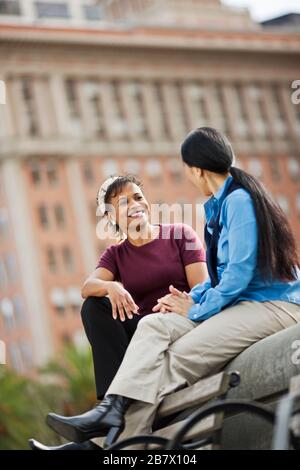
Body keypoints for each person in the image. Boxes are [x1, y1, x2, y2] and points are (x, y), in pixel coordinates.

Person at [45, 128, 300, 449]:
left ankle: (106, 445)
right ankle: (108, 414)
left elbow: (238, 274)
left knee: (170, 359)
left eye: (137, 197)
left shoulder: (237, 201)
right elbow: (219, 281)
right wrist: (191, 298)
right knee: (148, 326)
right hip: (233, 307)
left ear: (196, 169)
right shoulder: (218, 208)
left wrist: (195, 306)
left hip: (273, 305)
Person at [29, 174, 207, 450]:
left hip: (178, 324)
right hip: (142, 334)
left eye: (138, 197)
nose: (135, 204)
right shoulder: (116, 254)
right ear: (113, 218)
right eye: (123, 203)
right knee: (94, 306)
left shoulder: (180, 234)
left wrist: (182, 304)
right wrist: (111, 286)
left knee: (126, 313)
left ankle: (97, 430)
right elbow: (88, 287)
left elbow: (202, 289)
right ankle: (111, 405)